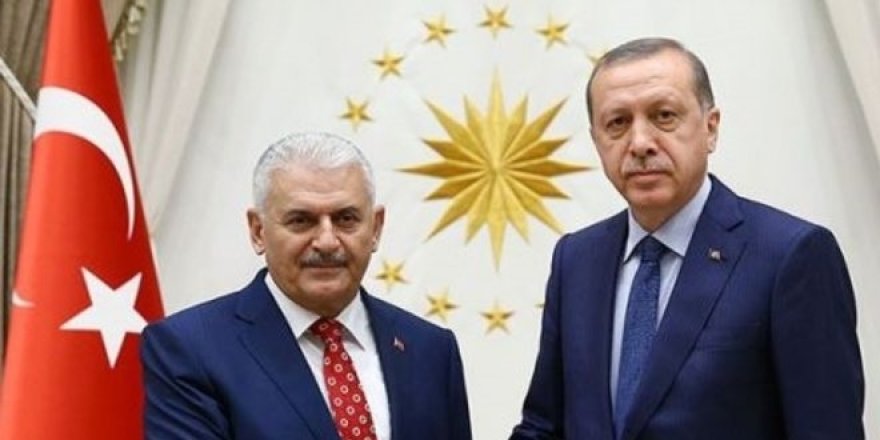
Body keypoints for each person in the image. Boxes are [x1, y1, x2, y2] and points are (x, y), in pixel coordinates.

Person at [511, 37, 864, 439]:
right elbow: (544, 427)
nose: (640, 143)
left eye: (663, 116)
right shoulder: (576, 260)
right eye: (618, 123)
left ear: (710, 128)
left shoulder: (790, 256)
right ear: (596, 140)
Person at [141, 132, 472, 440]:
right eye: (301, 220)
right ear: (258, 231)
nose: (327, 242)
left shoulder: (430, 349)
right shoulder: (191, 349)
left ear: (375, 228)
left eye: (346, 219)